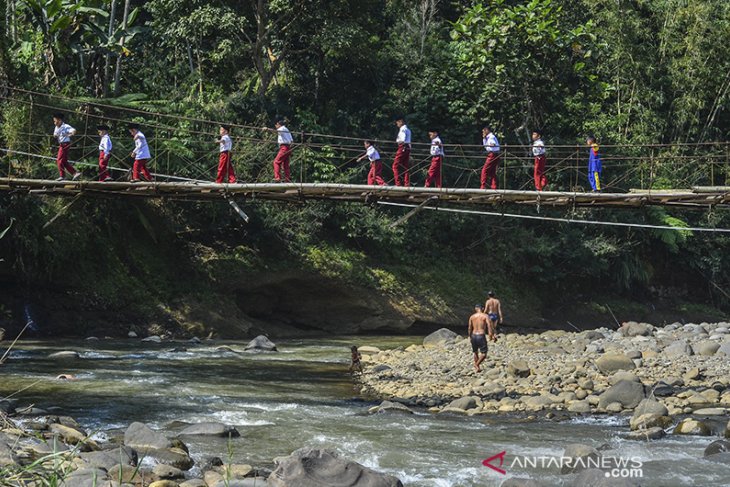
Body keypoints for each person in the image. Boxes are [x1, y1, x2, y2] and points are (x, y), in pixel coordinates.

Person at [52, 113, 80, 181]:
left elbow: (73, 130)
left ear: (60, 120)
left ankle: (62, 176)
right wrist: (55, 135)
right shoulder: (56, 127)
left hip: (65, 144)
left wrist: (72, 133)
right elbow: (55, 134)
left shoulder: (65, 126)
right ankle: (75, 173)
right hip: (61, 144)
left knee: (59, 160)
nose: (55, 123)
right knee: (64, 161)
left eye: (55, 121)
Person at [468, 305, 489, 372]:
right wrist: (491, 335)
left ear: (475, 308)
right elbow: (489, 325)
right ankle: (477, 364)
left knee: (475, 352)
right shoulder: (485, 316)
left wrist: (470, 336)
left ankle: (477, 368)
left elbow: (469, 328)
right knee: (484, 354)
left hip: (474, 335)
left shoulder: (472, 317)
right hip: (481, 335)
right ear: (482, 308)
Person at [392, 116, 411, 186]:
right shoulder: (408, 129)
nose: (397, 124)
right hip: (407, 148)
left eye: (397, 122)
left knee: (395, 166)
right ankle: (406, 183)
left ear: (401, 121)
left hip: (402, 147)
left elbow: (402, 140)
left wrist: (398, 142)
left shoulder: (402, 129)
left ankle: (398, 184)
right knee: (405, 166)